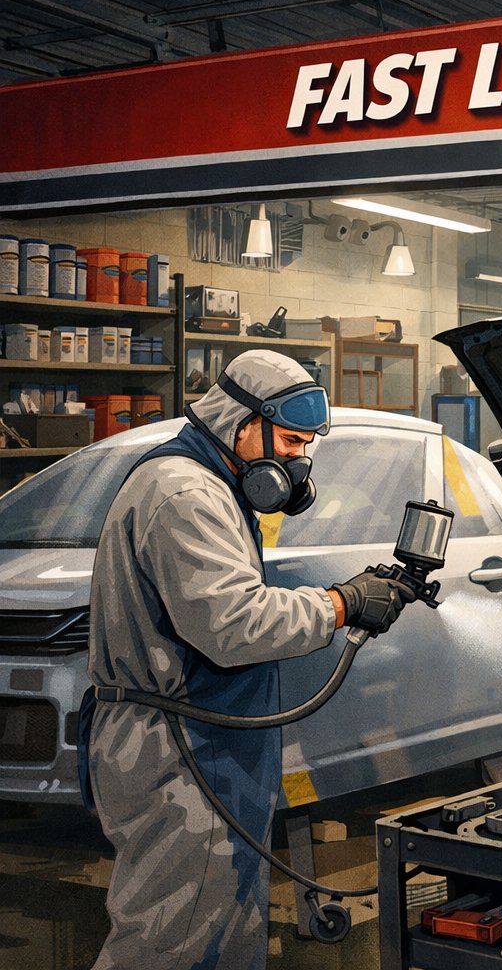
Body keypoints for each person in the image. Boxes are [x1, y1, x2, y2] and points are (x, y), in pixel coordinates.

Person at [81, 350, 418, 970]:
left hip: (209, 741)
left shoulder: (214, 484)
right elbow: (233, 624)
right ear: (241, 424)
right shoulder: (185, 493)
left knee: (225, 929)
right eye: (289, 442)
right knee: (171, 940)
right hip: (177, 747)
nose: (298, 461)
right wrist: (341, 603)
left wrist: (344, 600)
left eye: (305, 446)